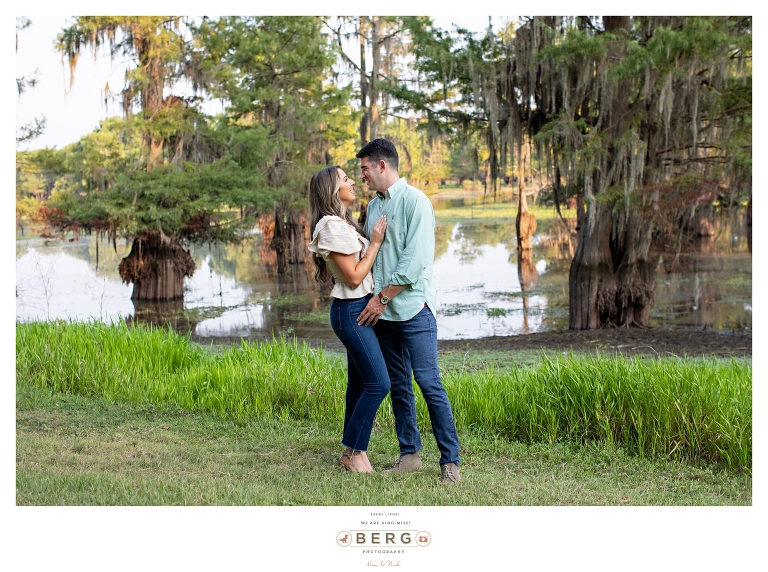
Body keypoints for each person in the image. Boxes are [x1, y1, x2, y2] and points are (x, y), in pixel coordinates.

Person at [355, 139, 462, 484]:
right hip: (383, 314)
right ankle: (409, 454)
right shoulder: (373, 207)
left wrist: (381, 298)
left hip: (414, 309)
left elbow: (413, 264)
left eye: (365, 169)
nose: (363, 176)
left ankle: (450, 462)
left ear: (382, 165)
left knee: (429, 383)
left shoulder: (417, 202)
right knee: (399, 384)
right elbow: (371, 255)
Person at [308, 165, 390, 473]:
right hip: (351, 311)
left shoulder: (342, 223)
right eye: (345, 179)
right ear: (331, 190)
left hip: (356, 310)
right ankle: (353, 452)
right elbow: (355, 278)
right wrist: (378, 241)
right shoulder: (330, 225)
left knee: (359, 383)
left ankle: (354, 450)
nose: (353, 181)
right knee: (379, 383)